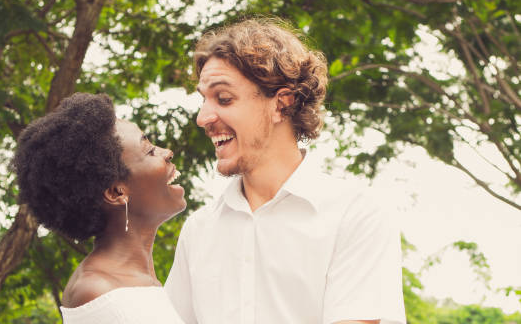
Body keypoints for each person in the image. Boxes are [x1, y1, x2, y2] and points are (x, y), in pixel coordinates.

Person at [165, 19, 406, 324]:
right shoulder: (198, 230)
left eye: (224, 98)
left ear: (281, 103)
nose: (203, 118)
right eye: (203, 99)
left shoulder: (356, 214)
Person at [13, 93, 187, 323]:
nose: (167, 153)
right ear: (117, 192)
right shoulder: (99, 294)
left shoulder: (139, 282)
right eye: (149, 151)